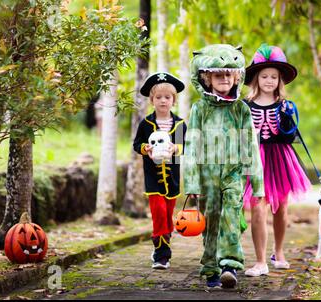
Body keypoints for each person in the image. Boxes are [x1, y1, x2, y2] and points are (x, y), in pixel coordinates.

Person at [183, 44, 264, 288]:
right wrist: (192, 183)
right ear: (206, 78)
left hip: (233, 175)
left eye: (229, 74)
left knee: (230, 218)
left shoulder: (240, 109)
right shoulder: (199, 109)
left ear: (237, 77)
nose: (224, 79)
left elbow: (250, 145)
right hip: (207, 176)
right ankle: (211, 268)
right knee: (211, 222)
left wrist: (257, 183)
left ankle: (230, 264)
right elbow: (191, 147)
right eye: (218, 75)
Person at [242, 44, 311, 277]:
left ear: (280, 80)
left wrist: (287, 119)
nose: (269, 80)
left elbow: (290, 135)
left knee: (281, 208)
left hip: (280, 158)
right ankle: (260, 261)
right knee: (257, 207)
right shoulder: (244, 106)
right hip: (255, 159)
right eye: (264, 76)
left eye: (274, 76)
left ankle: (278, 252)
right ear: (256, 79)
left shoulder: (285, 106)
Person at [133, 72, 187, 269]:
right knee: (158, 212)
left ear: (173, 100)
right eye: (158, 97)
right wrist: (144, 149)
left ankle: (164, 242)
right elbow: (136, 144)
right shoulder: (146, 124)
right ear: (152, 100)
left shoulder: (180, 124)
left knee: (168, 215)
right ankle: (162, 254)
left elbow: (184, 146)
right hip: (152, 179)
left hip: (172, 179)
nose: (163, 101)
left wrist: (176, 148)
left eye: (167, 97)